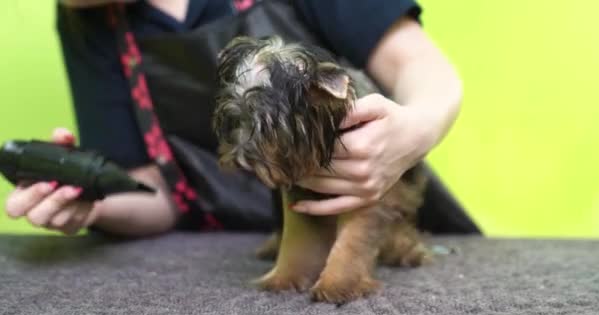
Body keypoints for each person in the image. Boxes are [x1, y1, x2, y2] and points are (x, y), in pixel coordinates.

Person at [4, 0, 465, 237]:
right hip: (223, 257)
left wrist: (416, 127)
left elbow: (421, 70)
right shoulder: (89, 19)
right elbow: (159, 192)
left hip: (371, 230)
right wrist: (96, 205)